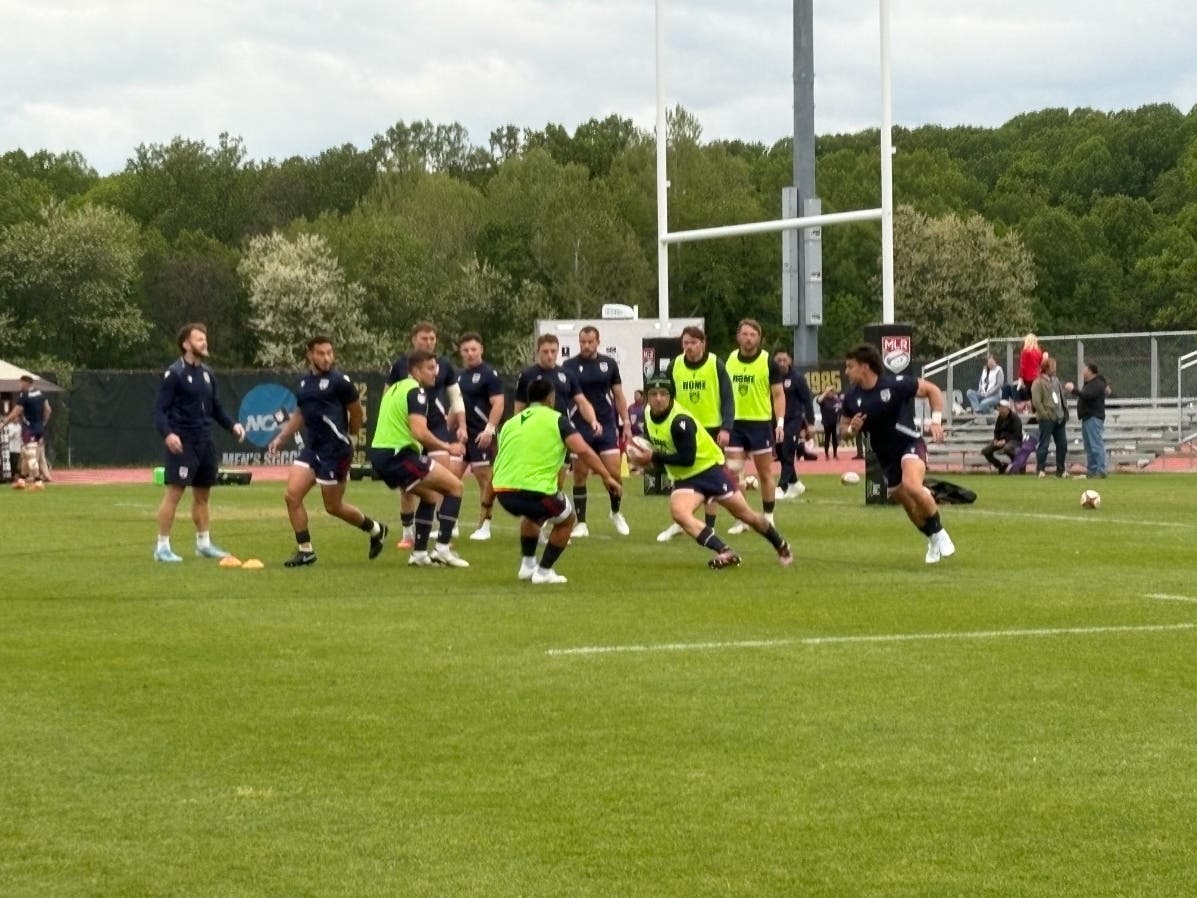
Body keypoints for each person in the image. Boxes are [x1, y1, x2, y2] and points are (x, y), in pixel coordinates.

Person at [629, 376, 793, 569]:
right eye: (653, 394)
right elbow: (659, 445)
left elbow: (686, 458)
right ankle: (726, 551)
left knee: (745, 515)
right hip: (686, 478)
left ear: (671, 396)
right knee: (679, 513)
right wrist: (642, 459)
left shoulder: (680, 422)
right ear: (647, 398)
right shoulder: (648, 414)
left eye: (663, 394)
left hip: (711, 471)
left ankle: (780, 544)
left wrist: (651, 458)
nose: (658, 398)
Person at [266, 336, 388, 566]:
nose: (326, 358)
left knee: (333, 507)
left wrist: (349, 436)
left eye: (330, 353)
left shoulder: (340, 381)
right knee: (291, 496)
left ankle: (375, 529)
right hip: (312, 448)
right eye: (321, 353)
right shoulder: (303, 383)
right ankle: (305, 550)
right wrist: (281, 437)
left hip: (335, 452)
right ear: (310, 355)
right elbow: (301, 413)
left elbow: (357, 412)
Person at [492, 379, 622, 584]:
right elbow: (583, 450)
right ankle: (544, 572)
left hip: (502, 491)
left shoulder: (510, 422)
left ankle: (527, 565)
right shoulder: (557, 420)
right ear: (550, 398)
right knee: (567, 520)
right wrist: (606, 476)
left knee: (532, 516)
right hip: (535, 491)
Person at [840, 343, 956, 564]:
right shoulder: (851, 398)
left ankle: (941, 534)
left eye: (850, 366)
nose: (846, 372)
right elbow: (843, 431)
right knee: (905, 500)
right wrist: (851, 429)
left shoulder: (894, 385)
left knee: (912, 485)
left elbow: (932, 390)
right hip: (885, 455)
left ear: (864, 367)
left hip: (909, 443)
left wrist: (936, 422)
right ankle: (932, 538)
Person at [151, 323, 247, 562]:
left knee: (203, 496)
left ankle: (203, 544)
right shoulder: (175, 374)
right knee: (175, 493)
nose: (205, 343)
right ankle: (162, 547)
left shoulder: (207, 373)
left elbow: (215, 408)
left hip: (205, 441)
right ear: (186, 344)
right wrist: (169, 435)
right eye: (199, 339)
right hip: (183, 442)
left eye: (205, 339)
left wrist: (232, 425)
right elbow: (158, 410)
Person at [369, 349, 470, 568]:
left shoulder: (395, 388)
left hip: (382, 455)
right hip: (398, 455)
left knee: (430, 496)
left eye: (436, 367)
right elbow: (420, 433)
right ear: (415, 370)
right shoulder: (417, 393)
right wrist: (449, 447)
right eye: (430, 368)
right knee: (455, 487)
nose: (436, 373)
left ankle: (419, 554)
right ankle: (442, 549)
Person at [386, 322, 465, 549]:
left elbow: (456, 397)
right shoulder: (401, 366)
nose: (429, 342)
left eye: (432, 338)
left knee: (443, 480)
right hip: (409, 430)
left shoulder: (445, 365)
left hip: (437, 427)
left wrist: (462, 426)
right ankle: (408, 533)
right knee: (408, 486)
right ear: (414, 339)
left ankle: (444, 529)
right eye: (424, 338)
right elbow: (387, 396)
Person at [657, 325, 735, 541]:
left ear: (703, 343)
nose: (688, 347)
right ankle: (679, 522)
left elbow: (728, 398)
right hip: (683, 429)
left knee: (712, 479)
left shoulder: (715, 364)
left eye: (692, 342)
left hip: (710, 429)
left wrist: (726, 427)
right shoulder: (675, 365)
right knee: (679, 476)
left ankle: (709, 526)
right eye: (685, 343)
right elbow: (665, 395)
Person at [561, 325, 632, 537]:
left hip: (607, 425)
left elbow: (618, 395)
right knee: (580, 474)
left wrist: (626, 422)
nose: (586, 345)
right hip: (579, 426)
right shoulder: (569, 365)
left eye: (590, 341)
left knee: (613, 473)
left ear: (598, 342)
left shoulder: (608, 364)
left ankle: (615, 512)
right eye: (582, 341)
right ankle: (581, 523)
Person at [723, 319, 785, 535]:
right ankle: (742, 518)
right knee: (734, 472)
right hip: (735, 425)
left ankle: (768, 517)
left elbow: (778, 395)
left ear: (759, 338)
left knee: (765, 473)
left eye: (753, 335)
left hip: (759, 425)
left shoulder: (768, 362)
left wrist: (780, 422)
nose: (748, 338)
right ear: (738, 336)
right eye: (745, 334)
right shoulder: (730, 360)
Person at [456, 331, 506, 541]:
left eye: (473, 349)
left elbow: (498, 403)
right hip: (462, 435)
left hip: (480, 436)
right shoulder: (459, 376)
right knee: (449, 478)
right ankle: (450, 524)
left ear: (481, 350)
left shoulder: (489, 374)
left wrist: (489, 429)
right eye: (465, 350)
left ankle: (485, 525)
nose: (469, 353)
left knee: (485, 481)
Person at [773, 349, 815, 499]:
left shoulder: (797, 378)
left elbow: (807, 400)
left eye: (785, 360)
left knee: (788, 451)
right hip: (776, 421)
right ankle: (795, 483)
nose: (782, 363)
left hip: (793, 420)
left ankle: (781, 486)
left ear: (790, 361)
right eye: (779, 360)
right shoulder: (771, 378)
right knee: (780, 453)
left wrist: (810, 423)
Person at [1, 374, 52, 489]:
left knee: (30, 455)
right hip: (39, 428)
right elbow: (48, 410)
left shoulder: (24, 396)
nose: (19, 385)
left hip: (29, 429)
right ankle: (21, 480)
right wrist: (43, 423)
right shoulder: (40, 394)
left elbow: (15, 413)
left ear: (26, 383)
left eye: (21, 383)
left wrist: (3, 424)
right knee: (24, 454)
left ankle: (38, 481)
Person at [1066, 362, 1110, 479]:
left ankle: (1101, 470)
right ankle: (1092, 470)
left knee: (1096, 445)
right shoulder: (1091, 383)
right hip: (1087, 418)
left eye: (1085, 369)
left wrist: (1073, 390)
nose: (1083, 371)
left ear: (1090, 371)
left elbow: (1086, 395)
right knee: (1089, 446)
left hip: (1093, 418)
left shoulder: (1097, 383)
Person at [1031, 355, 1069, 478]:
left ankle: (1061, 470)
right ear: (1046, 368)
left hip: (1059, 417)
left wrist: (1064, 411)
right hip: (1047, 418)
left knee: (1062, 444)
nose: (1055, 369)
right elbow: (1036, 401)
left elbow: (1061, 397)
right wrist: (1044, 414)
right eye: (1053, 366)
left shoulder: (1056, 381)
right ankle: (1041, 469)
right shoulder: (1038, 382)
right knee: (1044, 444)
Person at [981, 399, 1024, 474]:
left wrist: (1005, 441)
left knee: (1007, 448)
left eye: (1001, 407)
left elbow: (1017, 434)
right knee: (985, 451)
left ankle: (1018, 464)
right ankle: (1001, 466)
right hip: (1001, 440)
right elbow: (996, 431)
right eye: (999, 407)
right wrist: (996, 439)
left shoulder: (1015, 418)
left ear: (1007, 408)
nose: (1000, 409)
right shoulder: (1000, 417)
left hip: (1014, 441)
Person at [1016, 333, 1045, 404]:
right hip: (1037, 376)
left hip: (1027, 377)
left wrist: (1020, 377)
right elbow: (1040, 364)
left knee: (1028, 395)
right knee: (1036, 395)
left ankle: (1030, 410)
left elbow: (1023, 366)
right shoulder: (1039, 352)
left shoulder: (1025, 352)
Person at [816, 386, 842, 460]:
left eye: (832, 392)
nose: (831, 393)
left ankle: (835, 454)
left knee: (835, 438)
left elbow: (840, 407)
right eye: (829, 392)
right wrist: (825, 392)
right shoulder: (824, 400)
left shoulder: (836, 400)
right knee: (827, 438)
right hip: (826, 422)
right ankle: (827, 455)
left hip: (834, 422)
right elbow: (819, 400)